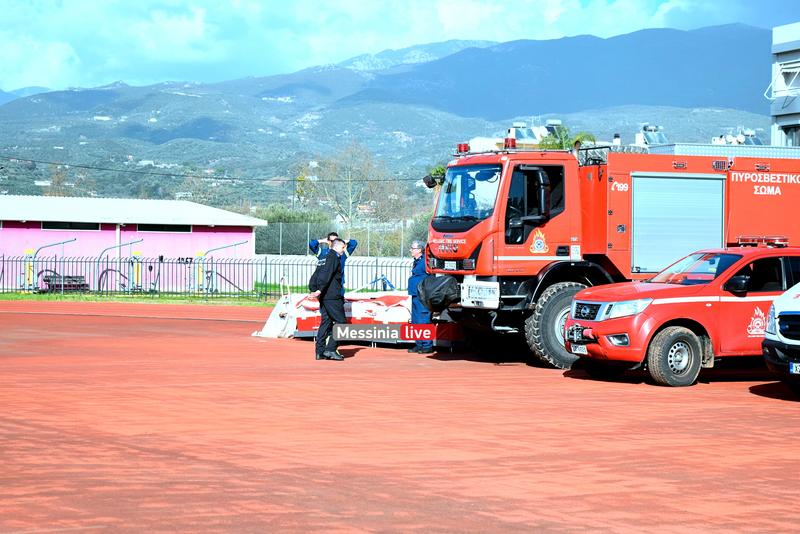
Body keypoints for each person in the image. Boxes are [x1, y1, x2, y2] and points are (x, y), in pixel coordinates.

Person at [309, 238, 347, 361]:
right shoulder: (333, 257)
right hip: (332, 296)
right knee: (341, 322)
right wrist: (319, 289)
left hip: (325, 296)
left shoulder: (324, 257)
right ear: (336, 247)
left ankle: (320, 351)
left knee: (326, 322)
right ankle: (330, 349)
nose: (343, 250)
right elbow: (326, 274)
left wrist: (314, 288)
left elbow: (316, 274)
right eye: (342, 247)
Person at [407, 240, 434, 354]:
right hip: (415, 294)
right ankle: (419, 344)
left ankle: (427, 345)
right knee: (416, 320)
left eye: (413, 248)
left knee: (423, 319)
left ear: (419, 250)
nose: (411, 250)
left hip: (422, 295)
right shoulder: (417, 261)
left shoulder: (424, 262)